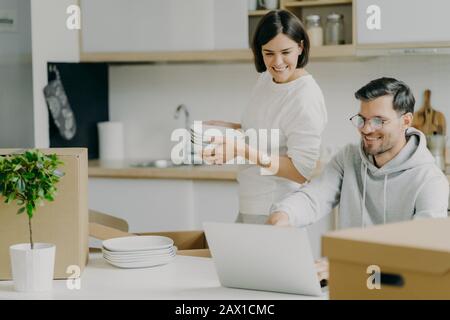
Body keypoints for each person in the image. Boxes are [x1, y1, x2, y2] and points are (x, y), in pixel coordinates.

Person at [268, 77, 449, 229]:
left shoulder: (430, 180)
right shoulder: (349, 158)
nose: (367, 129)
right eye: (362, 119)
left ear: (406, 121)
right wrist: (284, 215)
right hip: (349, 267)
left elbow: (423, 253)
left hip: (393, 271)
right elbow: (314, 197)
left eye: (379, 121)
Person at [202, 10, 328, 224]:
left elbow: (301, 171)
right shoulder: (266, 79)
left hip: (276, 208)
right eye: (268, 53)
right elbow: (269, 128)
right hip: (249, 201)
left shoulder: (305, 96)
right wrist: (232, 130)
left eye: (285, 52)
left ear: (300, 46)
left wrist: (242, 150)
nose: (277, 62)